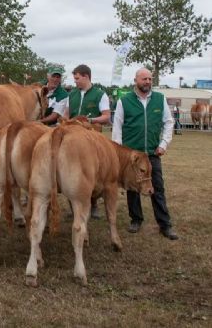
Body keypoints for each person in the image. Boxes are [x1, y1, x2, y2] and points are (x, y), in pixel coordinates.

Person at [112, 68, 178, 240]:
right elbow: (117, 127)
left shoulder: (159, 99)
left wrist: (163, 144)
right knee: (132, 189)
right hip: (131, 155)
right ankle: (136, 219)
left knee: (157, 188)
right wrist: (119, 153)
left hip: (152, 153)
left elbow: (169, 123)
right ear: (136, 80)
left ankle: (165, 224)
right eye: (144, 79)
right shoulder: (124, 101)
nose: (148, 82)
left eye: (150, 79)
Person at [67, 64, 111, 219]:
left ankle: (93, 204)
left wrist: (90, 120)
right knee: (70, 171)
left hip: (91, 141)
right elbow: (66, 115)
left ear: (86, 76)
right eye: (75, 78)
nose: (75, 81)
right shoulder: (71, 94)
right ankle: (73, 206)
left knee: (91, 173)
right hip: (72, 140)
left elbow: (106, 116)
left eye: (77, 78)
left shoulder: (100, 94)